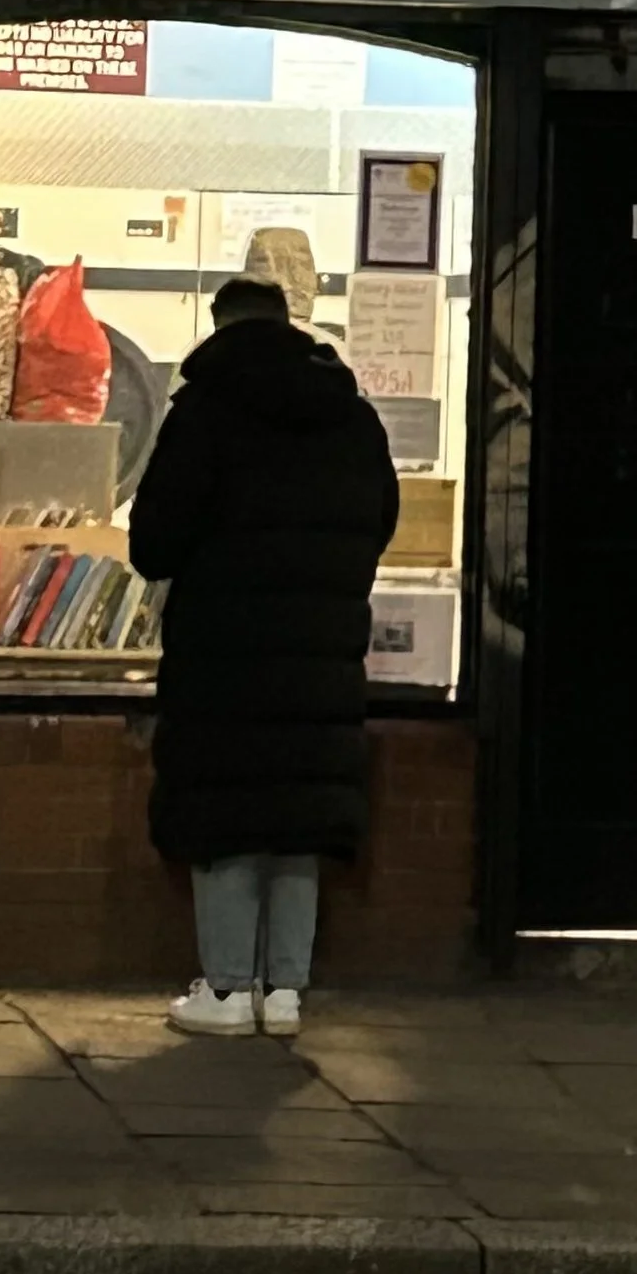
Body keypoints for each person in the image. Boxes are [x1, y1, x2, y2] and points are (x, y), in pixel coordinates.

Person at [129, 276, 400, 1038]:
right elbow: (379, 520)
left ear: (218, 327)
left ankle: (224, 989)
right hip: (320, 654)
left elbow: (153, 543)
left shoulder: (205, 412)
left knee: (227, 814)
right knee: (298, 816)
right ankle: (284, 993)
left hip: (224, 651)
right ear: (290, 324)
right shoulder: (351, 417)